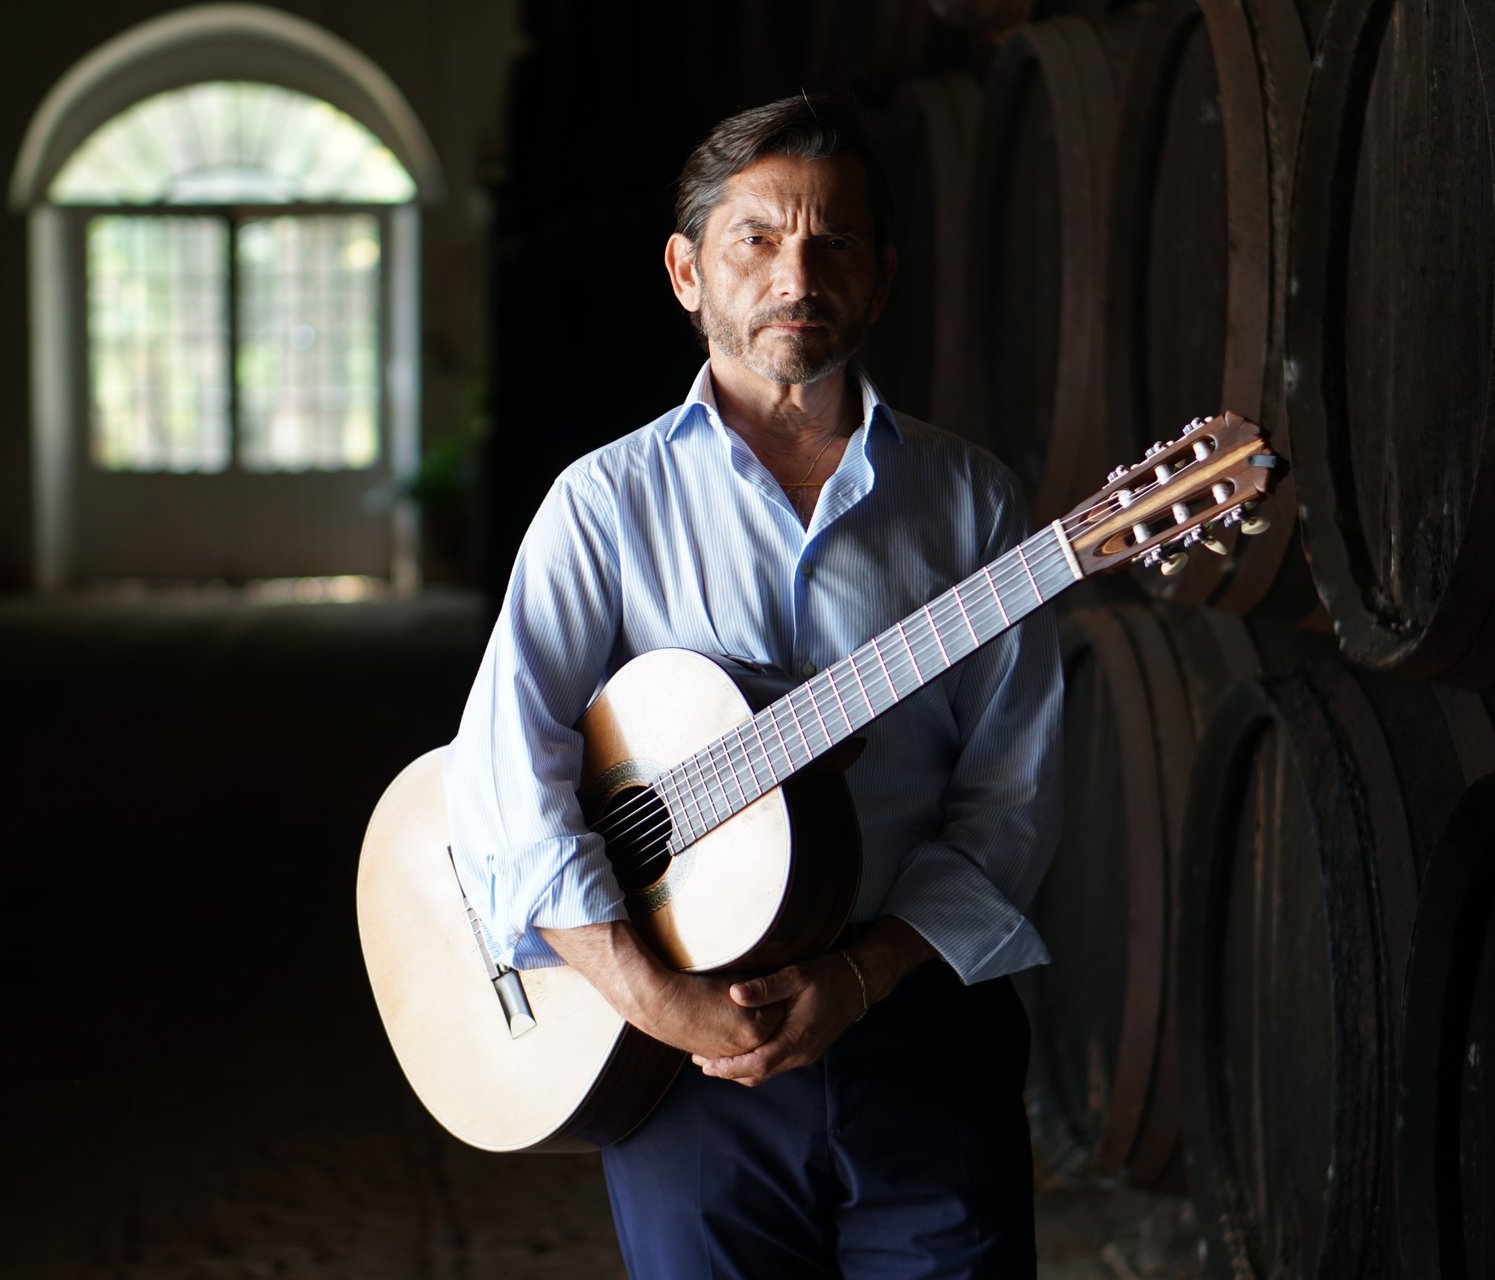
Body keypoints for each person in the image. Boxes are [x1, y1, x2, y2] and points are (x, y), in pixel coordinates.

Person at [442, 93, 1063, 1279]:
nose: (798, 273)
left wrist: (858, 977)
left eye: (833, 242)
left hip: (919, 1033)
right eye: (758, 239)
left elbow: (1011, 800)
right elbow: (502, 773)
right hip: (680, 1064)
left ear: (880, 277)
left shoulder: (974, 504)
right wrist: (652, 999)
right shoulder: (604, 504)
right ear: (687, 271)